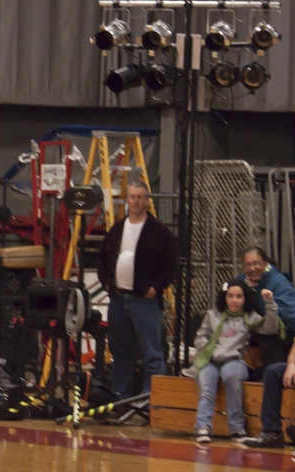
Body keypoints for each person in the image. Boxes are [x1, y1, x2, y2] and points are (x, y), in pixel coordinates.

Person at [97, 180, 178, 398]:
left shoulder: (160, 232)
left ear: (146, 200)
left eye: (140, 197)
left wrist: (155, 288)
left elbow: (170, 265)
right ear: (127, 200)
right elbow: (102, 258)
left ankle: (152, 400)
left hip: (145, 301)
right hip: (118, 300)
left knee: (152, 353)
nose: (135, 201)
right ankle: (120, 398)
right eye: (132, 197)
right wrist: (107, 283)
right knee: (120, 353)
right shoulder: (117, 229)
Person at [192, 280, 277, 444]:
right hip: (209, 360)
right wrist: (212, 350)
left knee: (231, 377)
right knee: (207, 388)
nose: (234, 300)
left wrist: (269, 303)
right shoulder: (212, 315)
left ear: (245, 299)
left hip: (235, 360)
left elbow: (270, 328)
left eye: (239, 296)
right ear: (225, 298)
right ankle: (202, 426)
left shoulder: (249, 317)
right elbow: (200, 338)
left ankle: (237, 428)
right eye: (230, 296)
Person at [235, 246, 295, 368]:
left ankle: (271, 374)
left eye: (256, 263)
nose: (252, 268)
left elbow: (288, 315)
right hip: (255, 326)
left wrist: (259, 314)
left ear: (265, 263)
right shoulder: (242, 281)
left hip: (284, 329)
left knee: (268, 338)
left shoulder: (278, 281)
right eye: (248, 265)